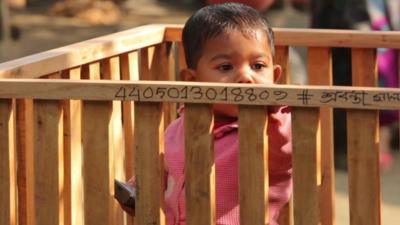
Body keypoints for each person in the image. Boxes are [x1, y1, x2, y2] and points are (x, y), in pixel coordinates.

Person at [120, 3, 292, 225]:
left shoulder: (270, 128)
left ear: (275, 75)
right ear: (193, 80)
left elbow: (287, 153)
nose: (246, 78)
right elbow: (163, 170)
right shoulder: (180, 126)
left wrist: (274, 109)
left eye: (258, 66)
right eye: (225, 67)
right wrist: (136, 190)